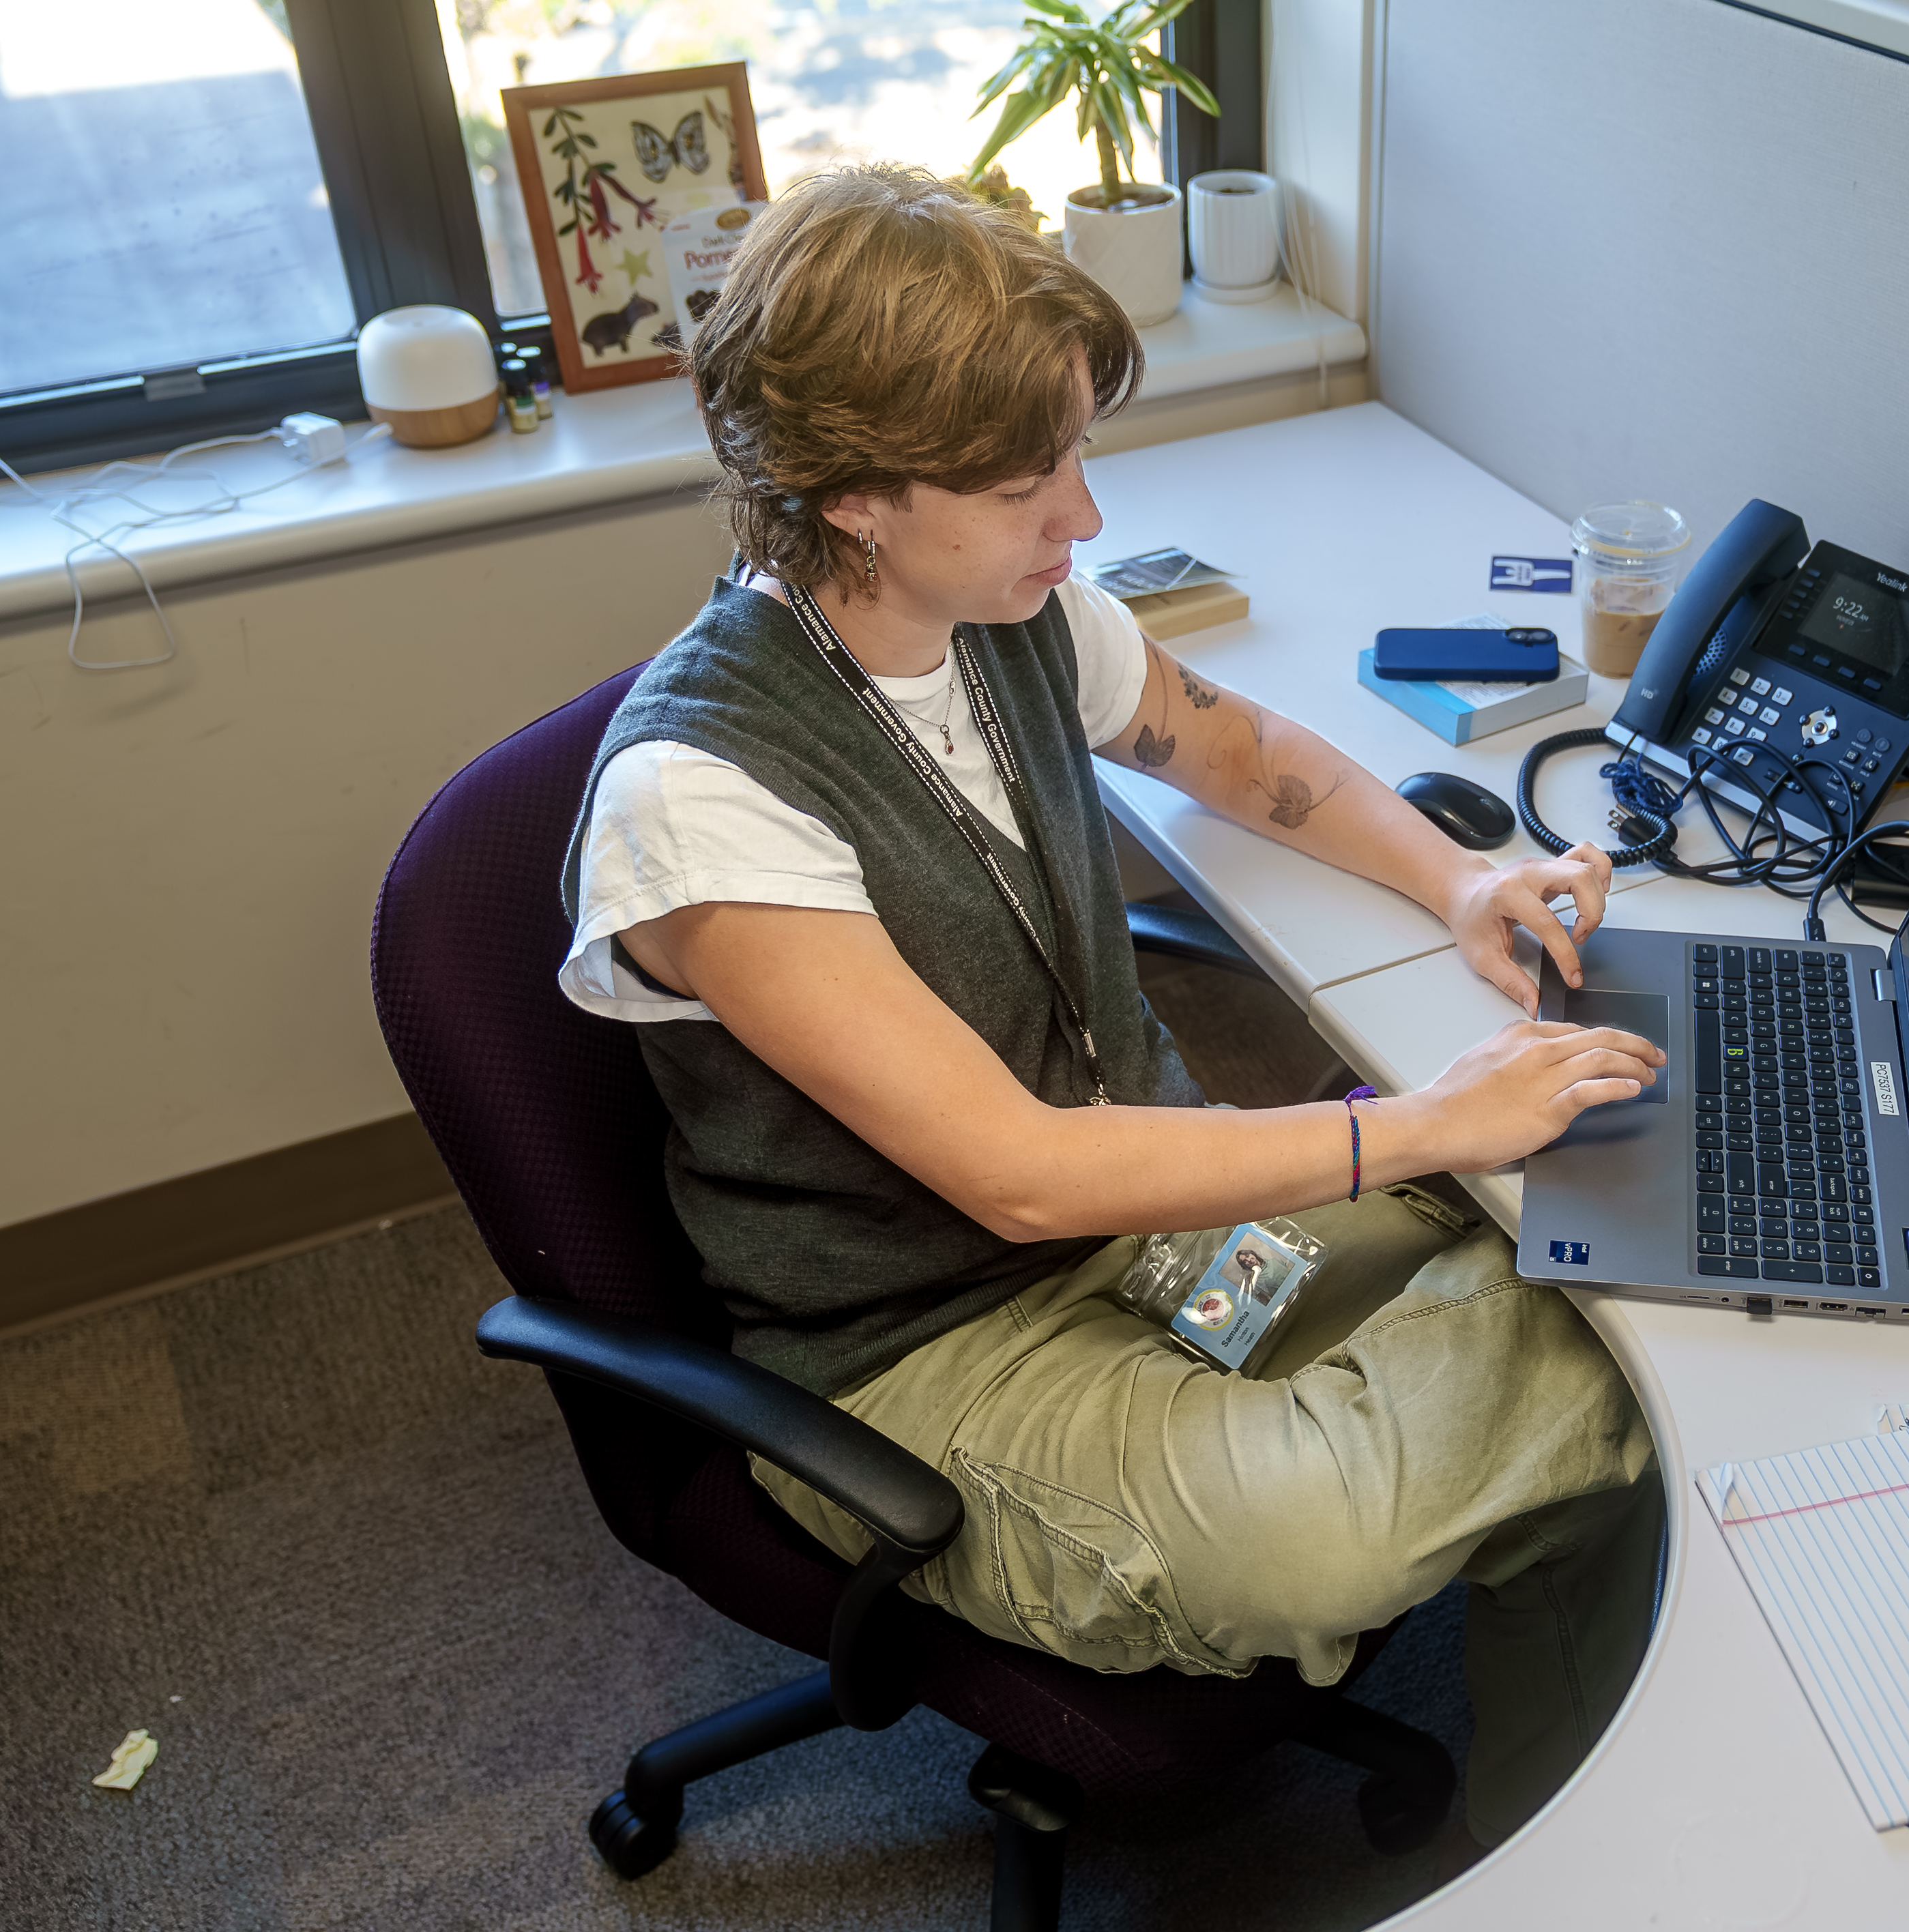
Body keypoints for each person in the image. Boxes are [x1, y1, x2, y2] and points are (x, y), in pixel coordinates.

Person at [555, 163, 1667, 1849]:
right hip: (933, 1347)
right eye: (1026, 485)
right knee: (1394, 1478)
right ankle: (1463, 1406)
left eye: (1075, 457)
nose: (1080, 517)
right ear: (852, 498)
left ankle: (1558, 1797)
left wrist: (1455, 883)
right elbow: (1015, 1177)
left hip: (1143, 1220)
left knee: (1600, 1254)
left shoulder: (1000, 612)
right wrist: (1424, 1128)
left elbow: (1236, 748)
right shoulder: (700, 803)